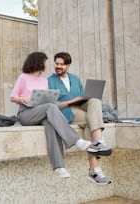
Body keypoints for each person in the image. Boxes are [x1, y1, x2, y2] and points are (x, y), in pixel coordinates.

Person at [11, 51, 91, 178]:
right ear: (37, 62)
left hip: (41, 111)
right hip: (26, 113)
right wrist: (24, 99)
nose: (47, 65)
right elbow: (13, 97)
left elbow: (45, 98)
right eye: (45, 62)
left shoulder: (44, 80)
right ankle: (76, 140)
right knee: (51, 106)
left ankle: (59, 166)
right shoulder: (23, 77)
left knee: (51, 123)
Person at [48, 52, 112, 185]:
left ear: (68, 65)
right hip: (65, 111)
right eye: (57, 63)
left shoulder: (75, 79)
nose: (58, 66)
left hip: (79, 107)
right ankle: (94, 168)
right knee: (90, 121)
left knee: (95, 100)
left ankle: (98, 141)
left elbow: (83, 96)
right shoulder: (49, 81)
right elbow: (51, 105)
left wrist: (83, 98)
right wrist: (71, 101)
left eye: (61, 64)